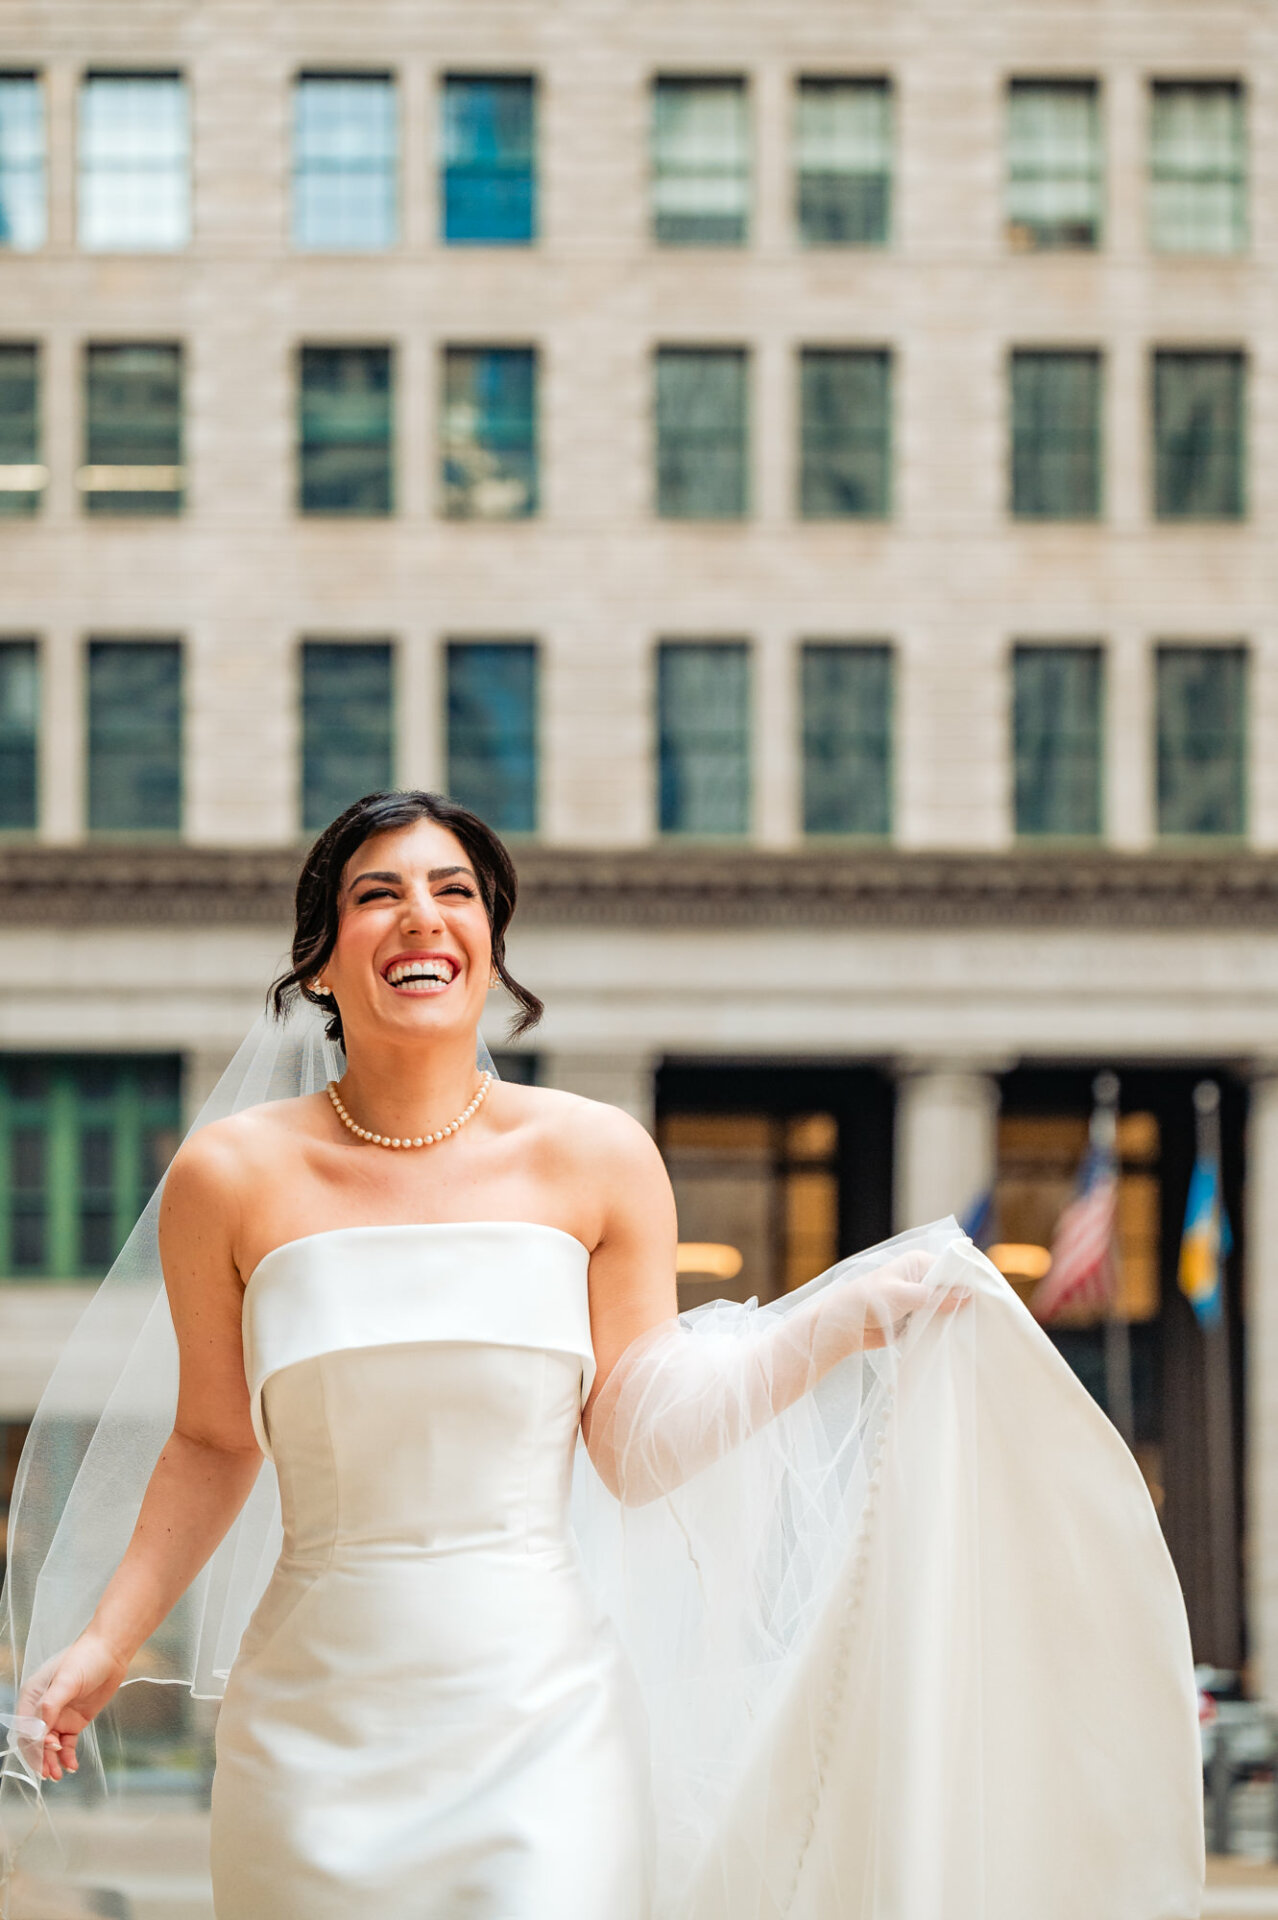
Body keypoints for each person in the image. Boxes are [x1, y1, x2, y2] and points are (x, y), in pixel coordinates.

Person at [3, 791, 1205, 1920]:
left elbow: (636, 1440)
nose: (420, 914)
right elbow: (215, 1440)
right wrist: (106, 1641)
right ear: (321, 958)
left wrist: (844, 1318)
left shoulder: (597, 1154)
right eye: (377, 894)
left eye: (454, 890)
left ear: (492, 939)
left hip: (543, 1716)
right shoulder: (229, 1177)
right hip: (311, 1722)